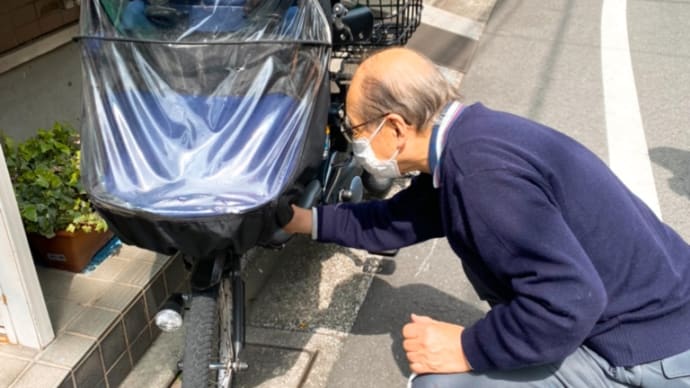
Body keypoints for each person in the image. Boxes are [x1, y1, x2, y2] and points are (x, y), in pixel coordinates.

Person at [281, 47, 690, 387]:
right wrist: (303, 220)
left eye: (356, 130)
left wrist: (464, 347)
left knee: (437, 383)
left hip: (646, 350)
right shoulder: (468, 141)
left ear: (395, 127)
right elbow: (394, 220)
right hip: (655, 313)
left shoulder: (481, 180)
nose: (356, 143)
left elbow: (566, 303)